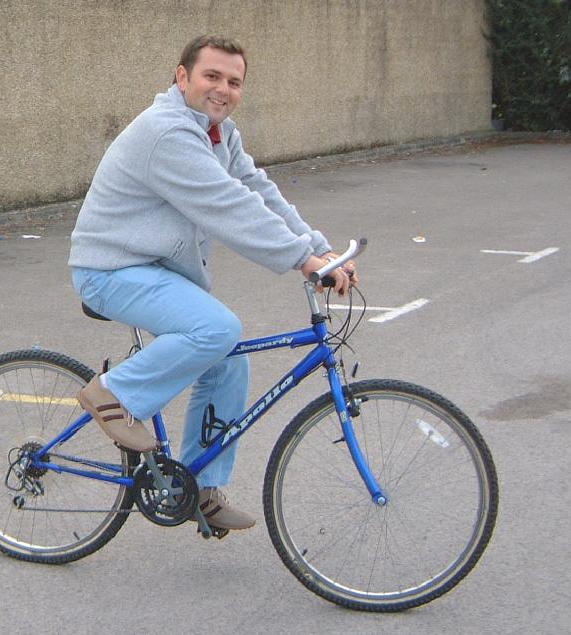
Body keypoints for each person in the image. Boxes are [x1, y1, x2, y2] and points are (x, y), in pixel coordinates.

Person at [69, 35, 354, 532]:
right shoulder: (167, 133)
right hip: (110, 270)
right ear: (182, 77)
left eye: (234, 82)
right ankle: (113, 394)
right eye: (212, 76)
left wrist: (319, 248)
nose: (223, 89)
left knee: (229, 361)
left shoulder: (219, 132)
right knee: (217, 328)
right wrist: (302, 260)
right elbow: (227, 205)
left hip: (153, 268)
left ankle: (200, 487)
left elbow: (257, 191)